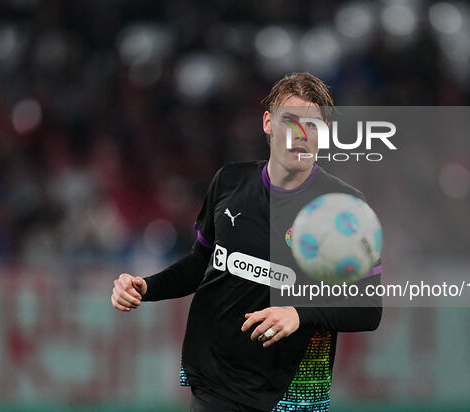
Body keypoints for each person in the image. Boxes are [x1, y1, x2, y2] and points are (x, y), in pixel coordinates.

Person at [110, 72, 382, 411]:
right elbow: (201, 261)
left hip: (291, 395)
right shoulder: (229, 181)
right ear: (268, 123)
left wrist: (299, 314)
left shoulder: (345, 208)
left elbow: (369, 309)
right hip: (215, 383)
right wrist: (145, 287)